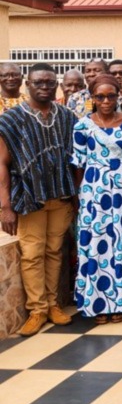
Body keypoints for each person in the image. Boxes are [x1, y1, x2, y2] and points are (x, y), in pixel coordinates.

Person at [0, 63, 77, 336]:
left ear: (55, 85)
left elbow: (76, 159)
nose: (44, 87)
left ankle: (53, 304)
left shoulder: (68, 117)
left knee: (54, 251)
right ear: (27, 85)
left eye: (49, 82)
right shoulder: (10, 120)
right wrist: (5, 206)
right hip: (29, 198)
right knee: (32, 254)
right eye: (38, 82)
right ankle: (37, 309)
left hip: (61, 194)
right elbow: (2, 164)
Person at [72, 74, 122, 324]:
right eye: (100, 96)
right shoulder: (82, 126)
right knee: (96, 245)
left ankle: (121, 301)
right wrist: (82, 197)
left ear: (118, 96)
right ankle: (96, 303)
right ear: (92, 97)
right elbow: (78, 165)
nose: (105, 100)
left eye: (111, 96)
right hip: (94, 193)